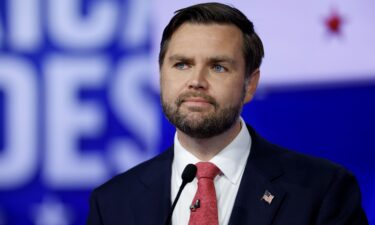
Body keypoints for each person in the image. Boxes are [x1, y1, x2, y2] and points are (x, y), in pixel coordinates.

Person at [86, 2, 368, 225]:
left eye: (218, 67)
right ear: (161, 75)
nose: (196, 80)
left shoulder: (322, 191)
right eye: (181, 64)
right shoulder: (113, 202)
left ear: (250, 84)